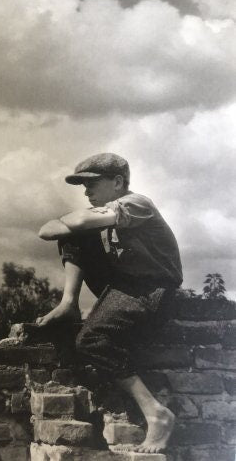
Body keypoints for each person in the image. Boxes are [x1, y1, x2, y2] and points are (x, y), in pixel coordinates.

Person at [37, 153, 182, 454]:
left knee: (92, 340)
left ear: (117, 182)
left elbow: (68, 222)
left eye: (92, 184)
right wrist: (72, 223)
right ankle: (69, 304)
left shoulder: (136, 203)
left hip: (153, 289)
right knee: (76, 237)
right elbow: (48, 231)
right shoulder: (105, 212)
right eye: (83, 186)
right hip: (125, 285)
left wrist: (72, 221)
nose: (86, 192)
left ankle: (157, 413)